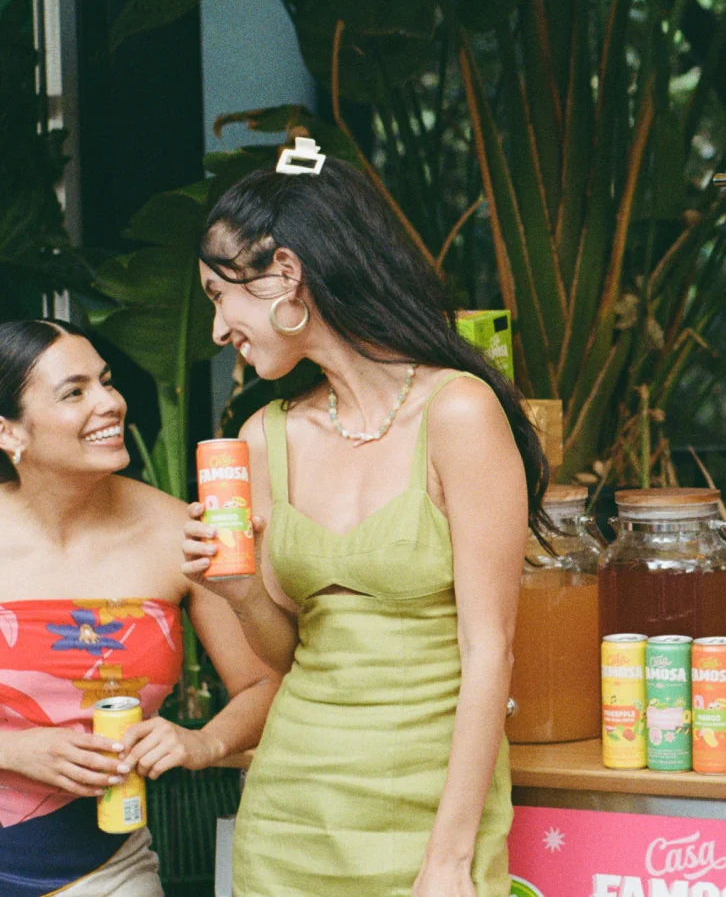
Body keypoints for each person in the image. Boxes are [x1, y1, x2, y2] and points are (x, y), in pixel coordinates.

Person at [184, 144, 548, 896]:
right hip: (290, 817)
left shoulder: (458, 411)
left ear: (286, 275)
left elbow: (492, 649)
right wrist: (242, 590)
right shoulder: (264, 439)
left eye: (220, 296)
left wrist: (448, 860)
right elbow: (288, 656)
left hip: (429, 820)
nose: (219, 329)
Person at [0, 319, 279, 897]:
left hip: (103, 870)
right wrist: (14, 748)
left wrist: (204, 741)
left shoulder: (180, 531)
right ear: (8, 431)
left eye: (106, 381)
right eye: (74, 392)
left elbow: (263, 681)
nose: (110, 403)